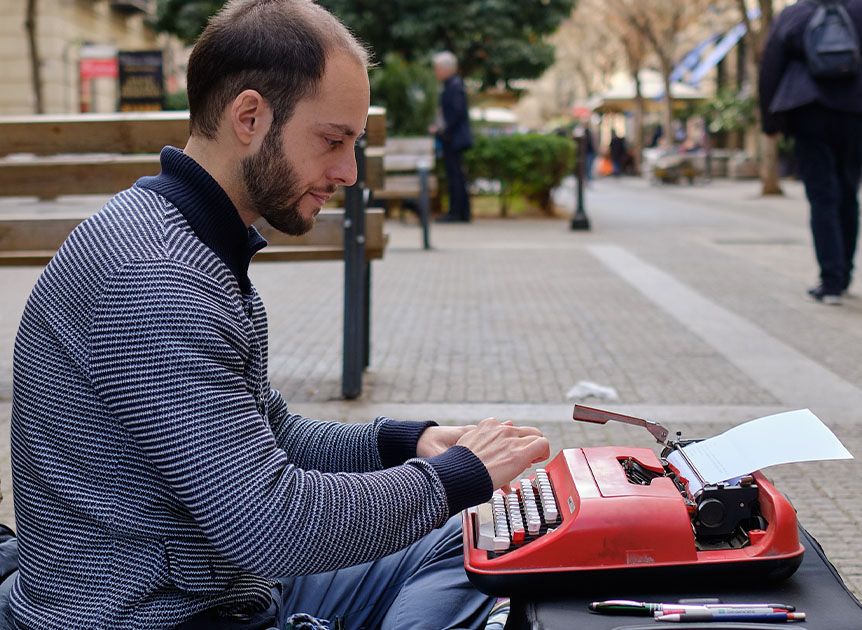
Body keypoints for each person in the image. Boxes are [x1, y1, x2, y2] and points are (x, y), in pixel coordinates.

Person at [5, 1, 549, 628]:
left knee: (482, 541)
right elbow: (270, 525)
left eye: (355, 145)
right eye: (332, 140)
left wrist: (408, 443)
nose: (347, 172)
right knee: (472, 529)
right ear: (250, 116)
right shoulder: (156, 281)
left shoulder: (189, 241)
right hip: (161, 613)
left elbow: (270, 438)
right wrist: (456, 477)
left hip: (219, 585)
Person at [758, 0, 862, 305]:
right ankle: (844, 275)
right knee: (848, 192)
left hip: (809, 110)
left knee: (822, 196)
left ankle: (831, 281)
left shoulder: (794, 14)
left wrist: (770, 121)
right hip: (859, 111)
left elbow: (770, 65)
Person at [432, 51, 473, 223]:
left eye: (437, 68)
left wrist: (442, 130)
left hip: (454, 139)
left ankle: (457, 213)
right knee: (457, 176)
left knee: (455, 177)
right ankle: (461, 212)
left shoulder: (454, 86)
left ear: (446, 69)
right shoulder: (453, 84)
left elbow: (456, 113)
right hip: (453, 138)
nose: (435, 72)